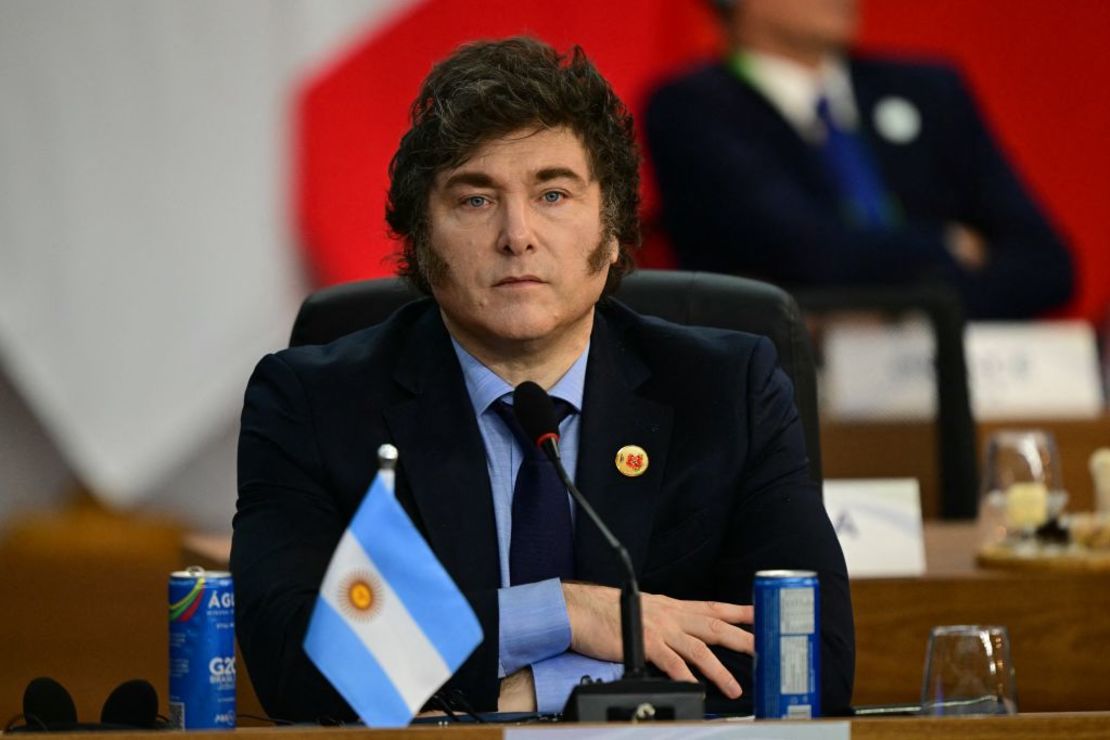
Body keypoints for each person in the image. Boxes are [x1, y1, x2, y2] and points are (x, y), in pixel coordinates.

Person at [232, 36, 853, 721]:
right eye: (475, 200)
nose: (517, 234)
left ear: (612, 230)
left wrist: (537, 694)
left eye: (553, 193)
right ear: (419, 239)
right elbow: (299, 664)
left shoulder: (727, 391)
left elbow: (808, 660)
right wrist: (558, 612)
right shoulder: (314, 404)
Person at [645, 0, 1074, 320]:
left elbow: (1046, 262)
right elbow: (803, 252)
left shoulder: (931, 91)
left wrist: (909, 320)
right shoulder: (690, 110)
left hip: (959, 378)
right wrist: (947, 245)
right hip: (791, 394)